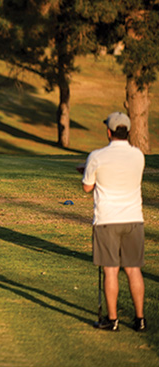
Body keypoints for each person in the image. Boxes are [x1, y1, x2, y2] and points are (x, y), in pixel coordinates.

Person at [80, 111, 146, 332]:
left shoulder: (97, 156)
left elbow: (87, 187)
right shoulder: (138, 155)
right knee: (133, 269)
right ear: (128, 131)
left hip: (107, 219)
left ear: (109, 132)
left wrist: (88, 172)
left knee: (111, 270)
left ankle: (113, 320)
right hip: (134, 219)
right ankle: (140, 319)